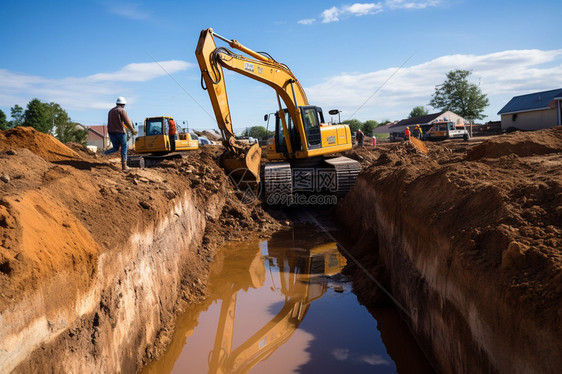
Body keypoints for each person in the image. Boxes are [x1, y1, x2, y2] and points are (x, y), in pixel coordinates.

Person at [104, 96, 137, 170]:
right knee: (124, 146)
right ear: (123, 104)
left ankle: (102, 154)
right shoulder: (121, 110)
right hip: (120, 132)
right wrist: (132, 130)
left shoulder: (111, 111)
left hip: (111, 132)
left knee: (115, 148)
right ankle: (124, 165)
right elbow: (127, 121)